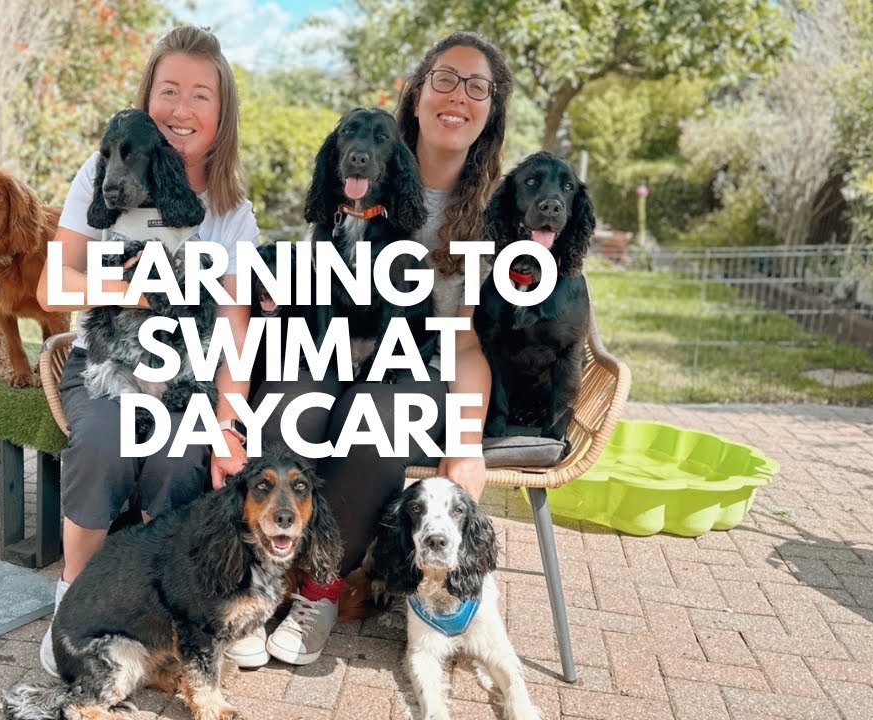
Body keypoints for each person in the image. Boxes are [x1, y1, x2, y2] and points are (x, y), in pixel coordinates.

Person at [253, 32, 514, 665]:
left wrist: (467, 440)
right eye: (445, 79)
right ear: (418, 95)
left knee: (374, 422)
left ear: (491, 110)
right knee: (288, 403)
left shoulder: (494, 213)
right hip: (336, 346)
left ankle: (319, 591)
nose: (459, 96)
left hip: (423, 362)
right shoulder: (355, 174)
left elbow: (471, 344)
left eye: (478, 86)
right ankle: (256, 584)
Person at [35, 25, 259, 675]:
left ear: (221, 117)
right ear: (147, 97)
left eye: (199, 95)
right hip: (106, 362)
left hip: (188, 370)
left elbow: (237, 325)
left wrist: (227, 422)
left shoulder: (230, 210)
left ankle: (170, 607)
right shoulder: (102, 168)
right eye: (168, 91)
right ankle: (74, 604)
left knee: (178, 458)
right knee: (105, 442)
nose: (181, 109)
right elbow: (55, 281)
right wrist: (136, 281)